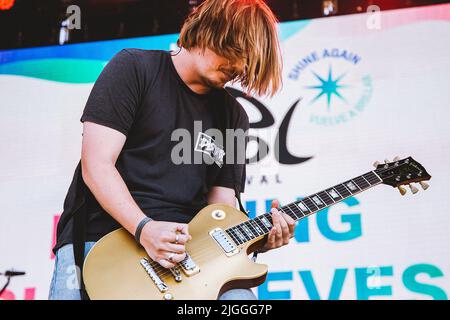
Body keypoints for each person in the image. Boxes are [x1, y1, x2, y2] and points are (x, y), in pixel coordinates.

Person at [49, 0, 295, 300]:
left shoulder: (233, 117)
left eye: (247, 62)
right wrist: (144, 229)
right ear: (208, 30)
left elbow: (221, 210)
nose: (240, 67)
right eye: (236, 53)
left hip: (184, 260)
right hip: (104, 241)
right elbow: (96, 165)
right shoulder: (134, 68)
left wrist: (256, 240)